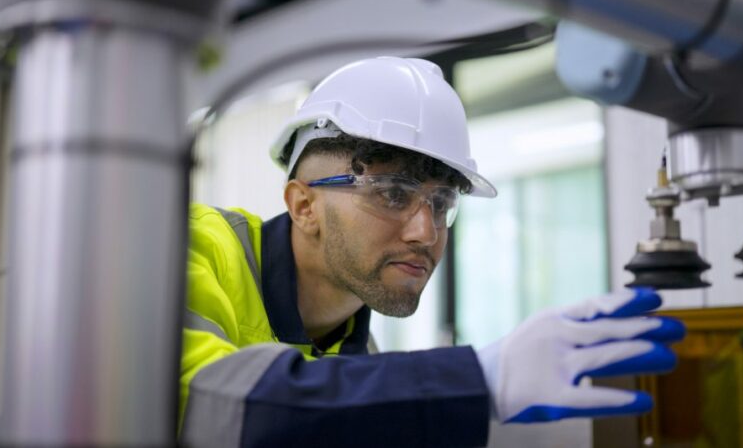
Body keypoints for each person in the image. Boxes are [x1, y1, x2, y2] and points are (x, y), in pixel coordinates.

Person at [179, 56, 685, 447]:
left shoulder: (358, 355)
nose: (426, 231)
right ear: (304, 205)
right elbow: (208, 410)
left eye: (441, 202)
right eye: (392, 193)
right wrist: (480, 379)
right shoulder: (188, 253)